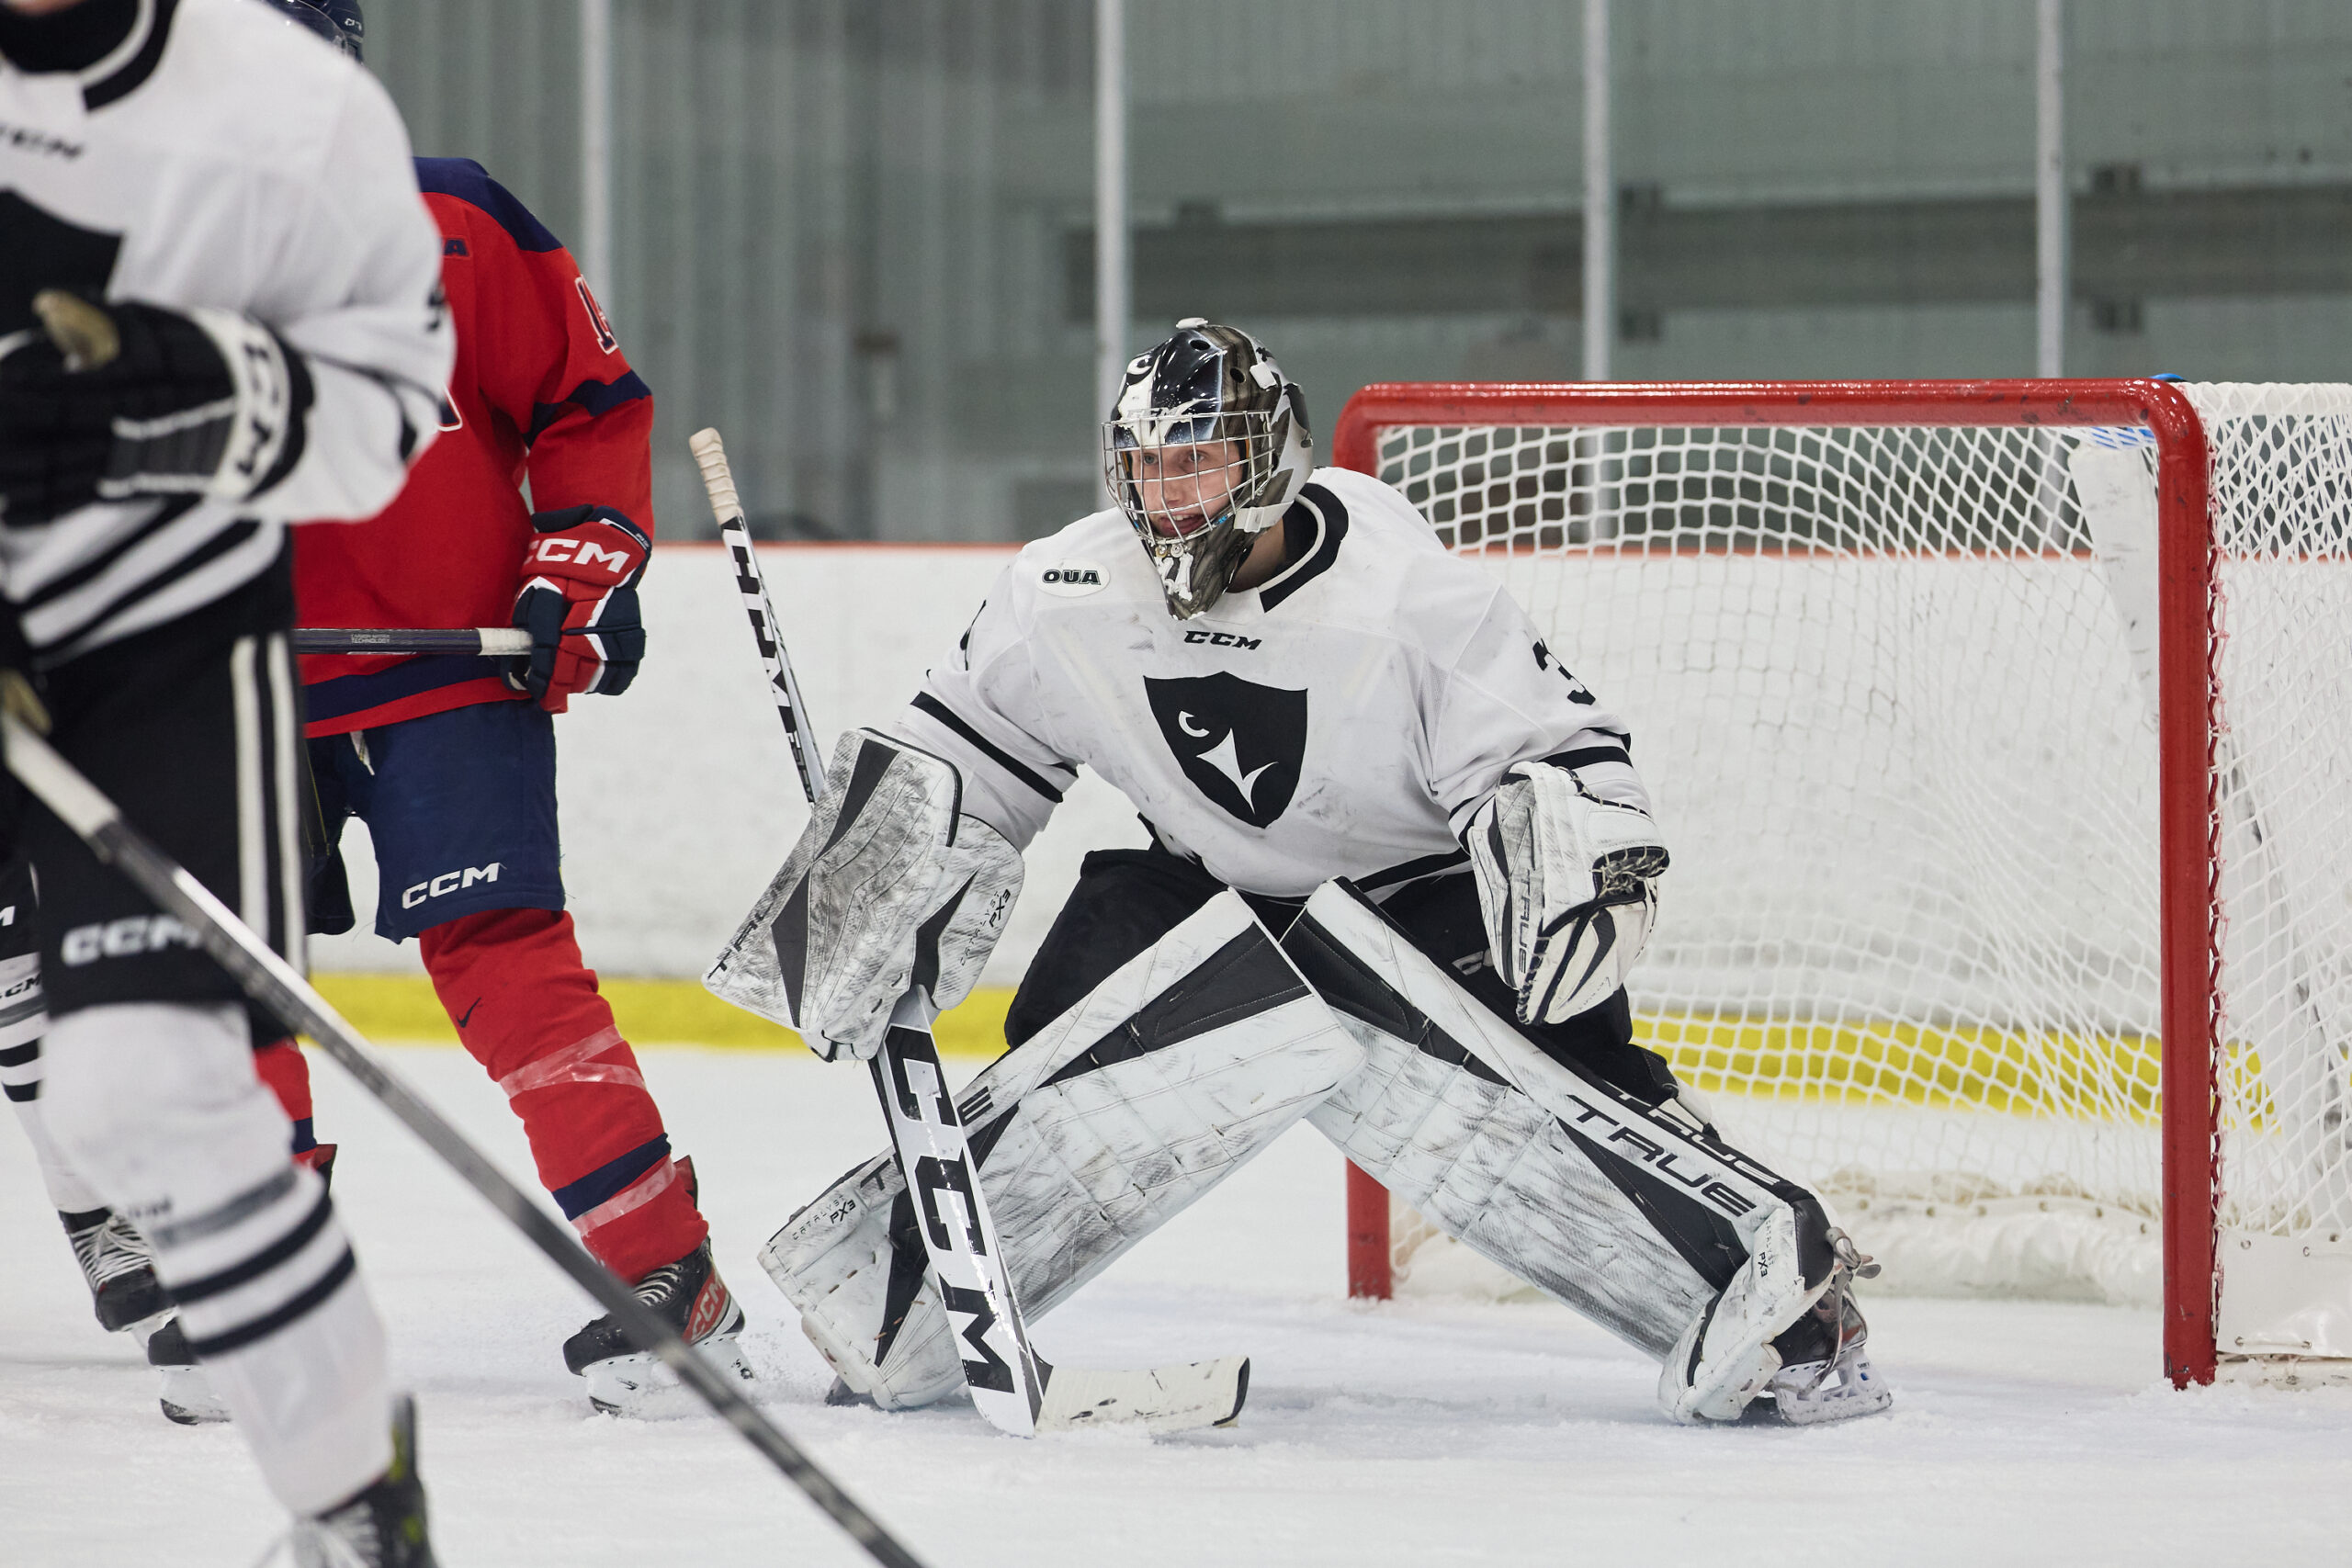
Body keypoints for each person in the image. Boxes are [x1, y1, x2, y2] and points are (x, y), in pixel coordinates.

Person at [733, 320, 1894, 1428]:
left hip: (1416, 906)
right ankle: (921, 1306)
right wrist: (867, 888)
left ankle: (1796, 1316)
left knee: (1568, 1095)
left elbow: (1554, 753)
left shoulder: (1407, 596)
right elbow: (965, 753)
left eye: (1199, 462)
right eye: (1145, 468)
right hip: (1201, 894)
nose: (1167, 495)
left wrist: (1566, 861)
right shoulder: (1065, 593)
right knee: (1052, 1062)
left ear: (1271, 456)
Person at [0, 0, 453, 1560]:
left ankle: (353, 1505)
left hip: (164, 644)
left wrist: (178, 398)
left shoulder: (287, 103)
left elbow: (390, 414)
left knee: (148, 1092)